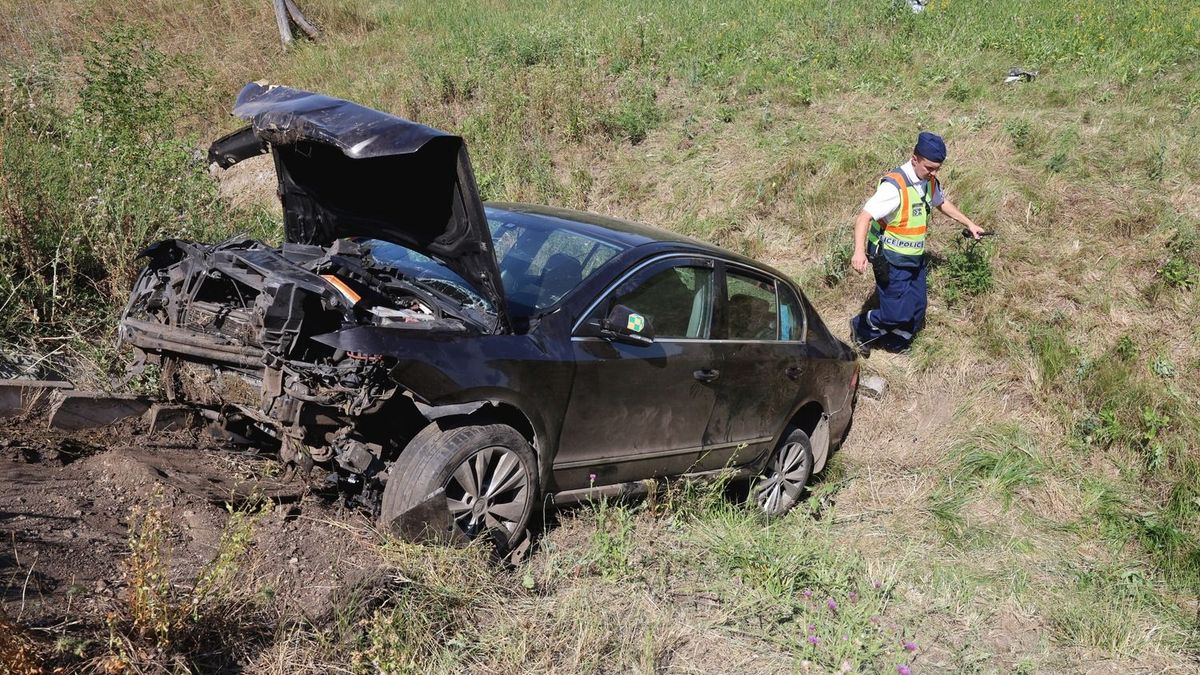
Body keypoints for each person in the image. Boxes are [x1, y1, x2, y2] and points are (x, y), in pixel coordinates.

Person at [848, 131, 985, 354]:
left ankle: (896, 342)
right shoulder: (894, 187)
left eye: (937, 168)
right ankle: (861, 327)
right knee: (896, 314)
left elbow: (941, 202)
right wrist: (859, 252)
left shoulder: (929, 181)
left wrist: (968, 223)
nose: (933, 173)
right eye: (929, 167)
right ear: (914, 159)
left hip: (915, 258)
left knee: (918, 308)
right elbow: (864, 217)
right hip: (890, 260)